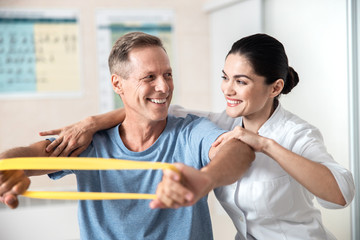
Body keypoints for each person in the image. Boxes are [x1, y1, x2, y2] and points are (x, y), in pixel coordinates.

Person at [40, 33, 355, 239]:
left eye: (241, 81)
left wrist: (266, 145)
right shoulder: (218, 123)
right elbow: (150, 106)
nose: (227, 90)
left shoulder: (296, 134)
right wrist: (90, 123)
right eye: (225, 77)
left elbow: (341, 194)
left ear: (274, 88)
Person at [0, 32, 255, 240]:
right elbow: (30, 156)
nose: (164, 87)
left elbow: (238, 149)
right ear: (117, 84)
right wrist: (6, 169)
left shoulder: (190, 132)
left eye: (168, 74)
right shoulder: (92, 143)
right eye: (149, 77)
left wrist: (204, 179)